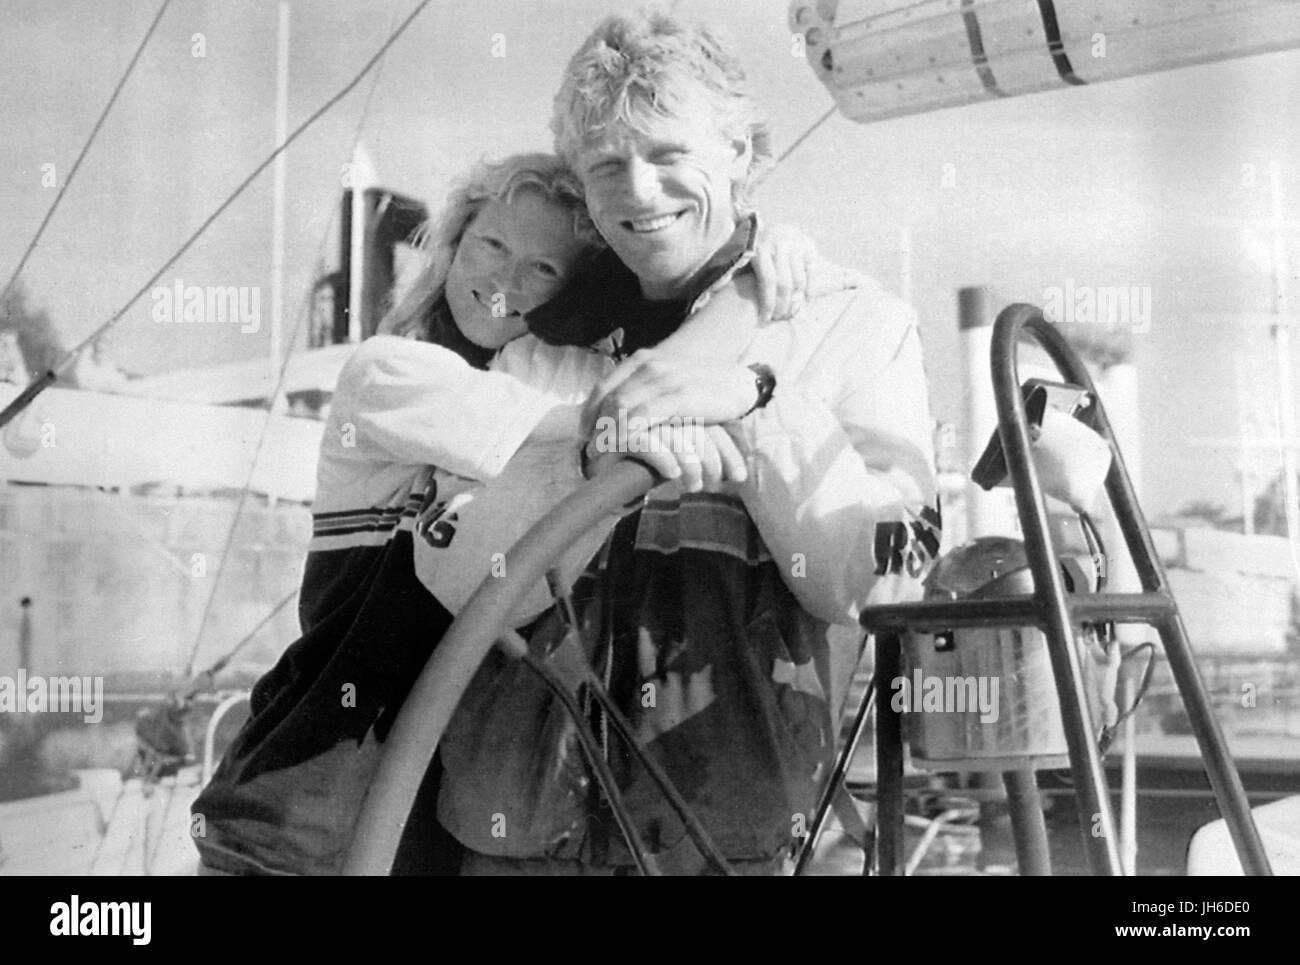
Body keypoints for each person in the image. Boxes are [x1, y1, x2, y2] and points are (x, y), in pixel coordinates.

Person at [190, 152, 820, 875]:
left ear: (571, 295)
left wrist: (762, 256)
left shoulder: (533, 383)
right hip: (302, 801)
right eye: (491, 245)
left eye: (544, 268)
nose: (504, 281)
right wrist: (741, 369)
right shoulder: (387, 372)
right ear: (454, 243)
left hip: (417, 822)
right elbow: (584, 416)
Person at [433, 9, 941, 876]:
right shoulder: (534, 353)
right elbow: (458, 577)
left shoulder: (856, 324)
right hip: (523, 840)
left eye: (670, 155)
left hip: (733, 841)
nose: (638, 189)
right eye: (606, 166)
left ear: (742, 153)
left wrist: (756, 408)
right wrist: (583, 459)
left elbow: (882, 576)